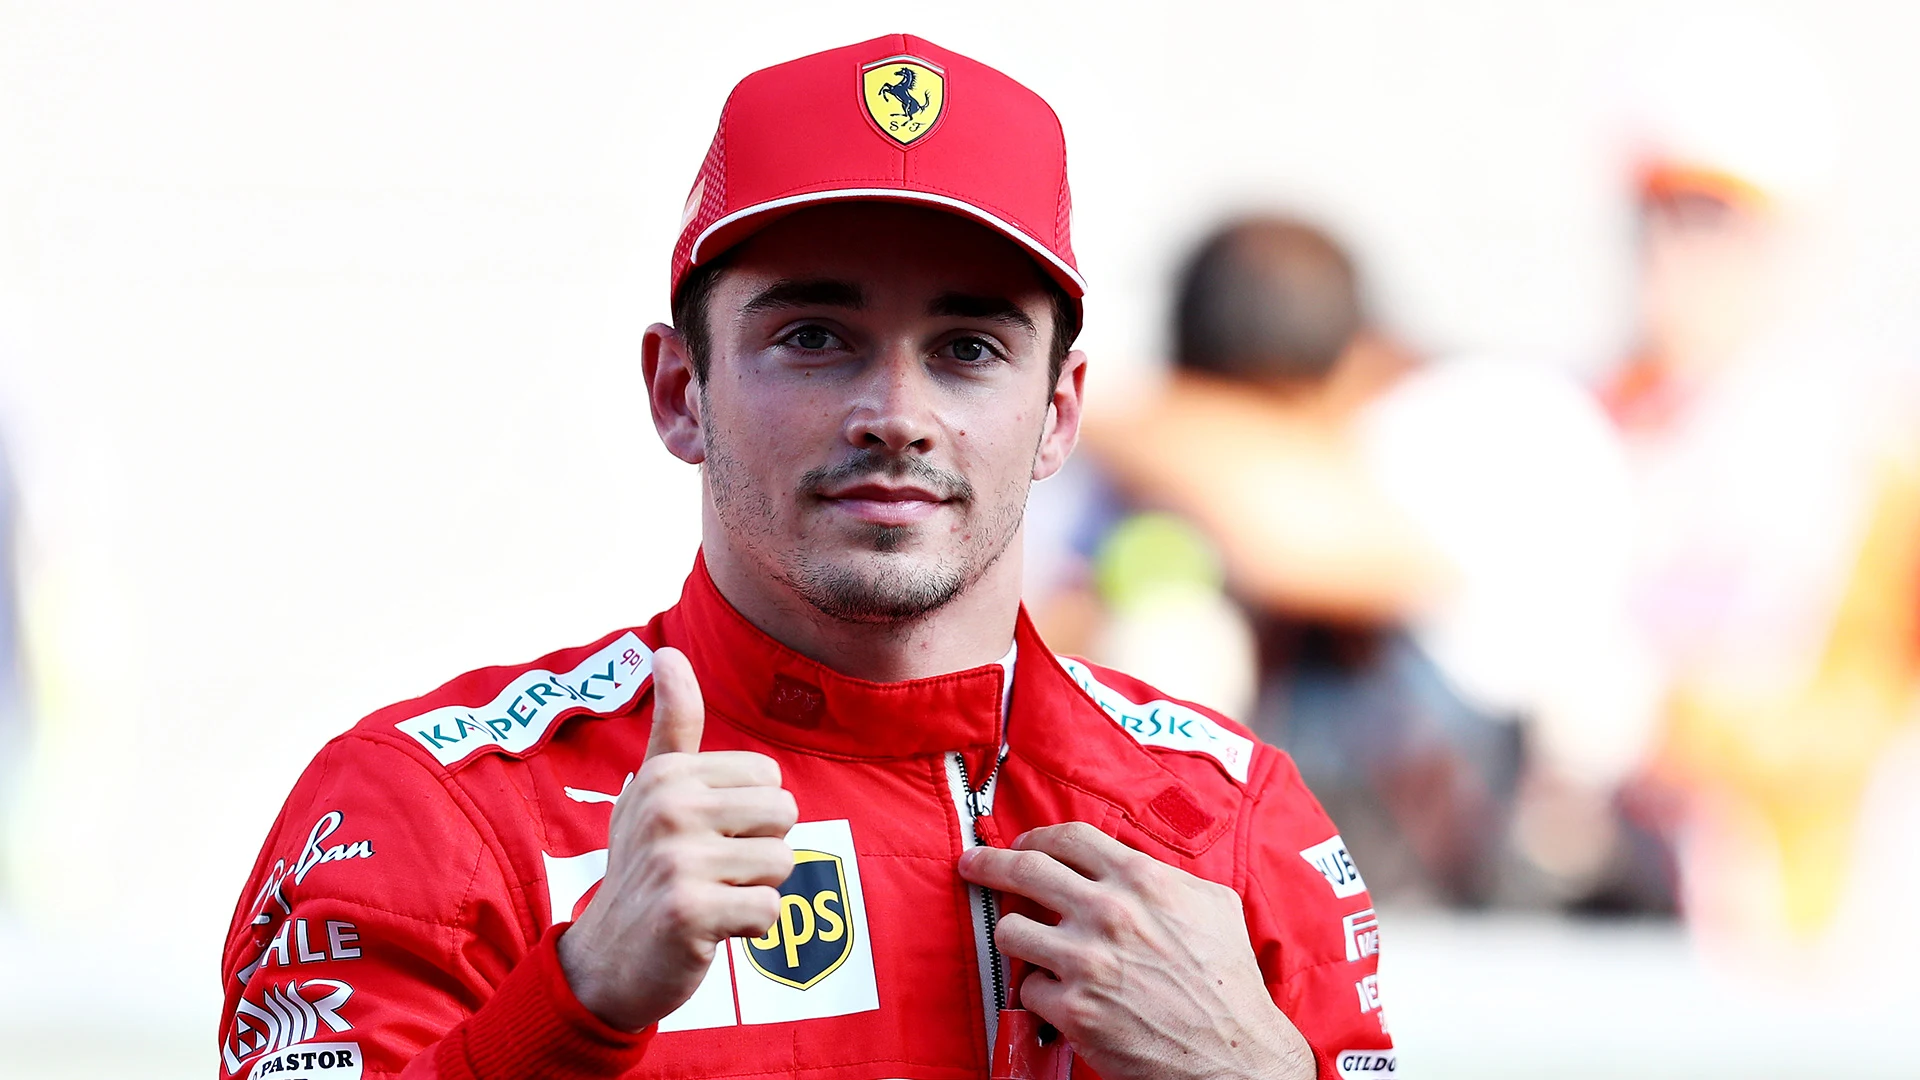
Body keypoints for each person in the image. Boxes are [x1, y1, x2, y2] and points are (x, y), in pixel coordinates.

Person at [217, 35, 1393, 1080]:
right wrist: (576, 1001)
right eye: (815, 336)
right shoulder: (434, 811)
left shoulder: (1234, 823)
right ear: (681, 392)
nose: (897, 412)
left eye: (970, 346)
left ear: (1060, 411)